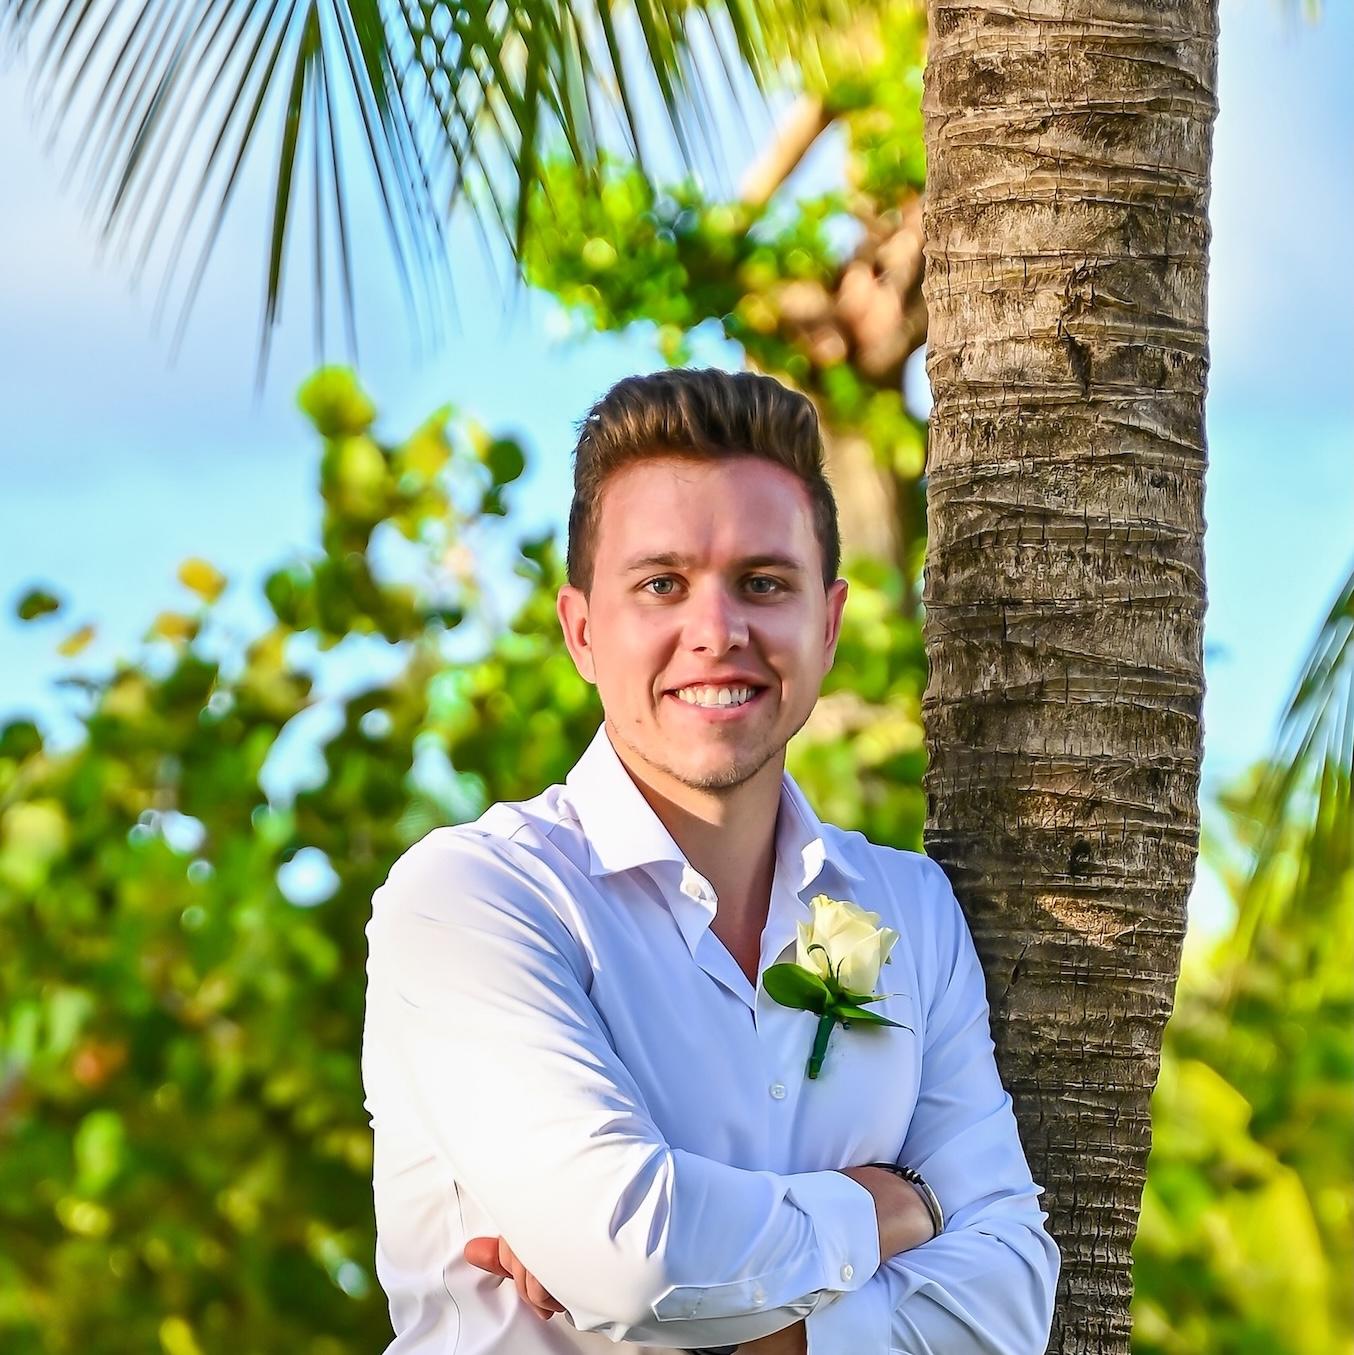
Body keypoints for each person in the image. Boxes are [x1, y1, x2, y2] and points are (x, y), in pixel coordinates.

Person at [361, 368, 1061, 1354]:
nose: (718, 631)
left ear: (827, 622)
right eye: (662, 584)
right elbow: (636, 1257)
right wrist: (897, 1205)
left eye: (763, 582)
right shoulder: (474, 901)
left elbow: (1011, 1303)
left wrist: (737, 1317)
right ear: (582, 630)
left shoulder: (909, 907)